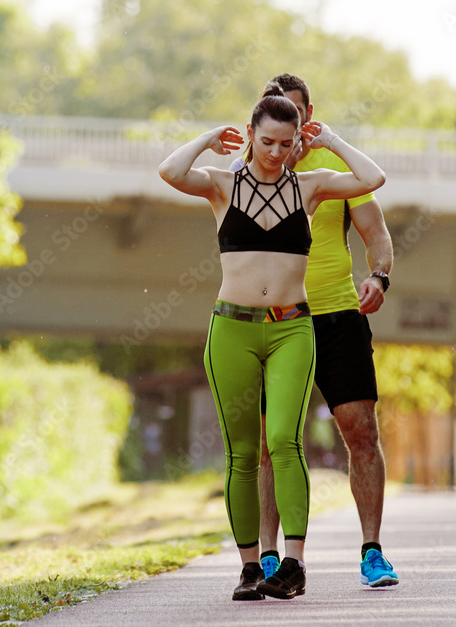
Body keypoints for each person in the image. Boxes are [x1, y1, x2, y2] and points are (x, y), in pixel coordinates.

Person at [158, 84, 385, 601]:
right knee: (242, 453)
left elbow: (373, 178)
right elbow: (170, 171)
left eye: (286, 143)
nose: (276, 153)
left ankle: (294, 563)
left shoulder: (311, 187)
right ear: (250, 135)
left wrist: (332, 140)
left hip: (291, 328)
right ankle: (248, 567)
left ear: (297, 141)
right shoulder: (222, 185)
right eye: (267, 142)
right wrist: (208, 138)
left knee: (284, 440)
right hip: (232, 328)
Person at [237, 74, 399, 589]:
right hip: (277, 319)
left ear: (308, 115)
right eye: (275, 113)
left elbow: (377, 235)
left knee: (361, 432)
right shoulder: (250, 169)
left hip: (336, 317)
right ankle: (268, 558)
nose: (287, 126)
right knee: (272, 443)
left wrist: (378, 276)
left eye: (295, 112)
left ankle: (372, 552)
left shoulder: (333, 172)